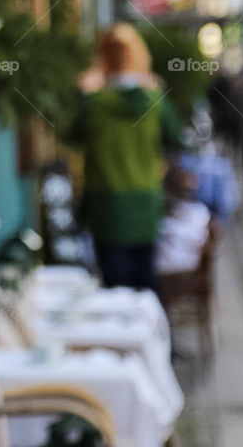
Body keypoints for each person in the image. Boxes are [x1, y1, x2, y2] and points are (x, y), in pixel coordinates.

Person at [71, 23, 182, 292]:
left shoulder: (94, 103)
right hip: (145, 202)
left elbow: (72, 136)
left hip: (106, 205)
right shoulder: (155, 100)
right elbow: (176, 139)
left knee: (115, 287)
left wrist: (83, 90)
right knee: (146, 284)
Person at [155, 167, 212, 275]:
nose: (187, 193)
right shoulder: (163, 211)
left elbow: (201, 242)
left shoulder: (200, 211)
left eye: (190, 190)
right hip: (164, 266)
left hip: (183, 266)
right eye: (185, 190)